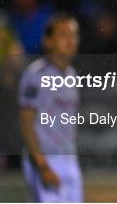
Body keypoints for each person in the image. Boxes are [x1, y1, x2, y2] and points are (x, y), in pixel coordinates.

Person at [19, 13, 83, 202]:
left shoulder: (72, 76)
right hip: (46, 160)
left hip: (69, 159)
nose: (70, 40)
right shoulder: (35, 76)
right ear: (48, 40)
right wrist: (43, 166)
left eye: (74, 35)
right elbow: (26, 123)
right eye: (63, 34)